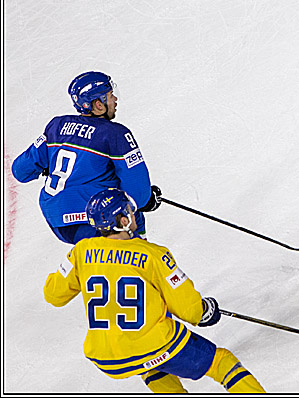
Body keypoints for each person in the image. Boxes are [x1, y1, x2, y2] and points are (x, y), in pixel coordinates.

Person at [43, 187, 265, 393]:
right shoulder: (153, 254)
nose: (133, 214)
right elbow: (191, 310)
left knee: (152, 367)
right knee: (221, 362)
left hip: (105, 356)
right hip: (151, 344)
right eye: (129, 212)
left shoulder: (80, 252)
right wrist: (206, 310)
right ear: (121, 220)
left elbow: (53, 294)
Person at [12, 71, 162, 244]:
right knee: (132, 213)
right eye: (110, 96)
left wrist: (48, 166)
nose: (115, 100)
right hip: (94, 220)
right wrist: (147, 200)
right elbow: (139, 193)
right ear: (98, 104)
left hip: (56, 217)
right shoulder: (115, 134)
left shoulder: (56, 126)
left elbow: (20, 171)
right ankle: (139, 258)